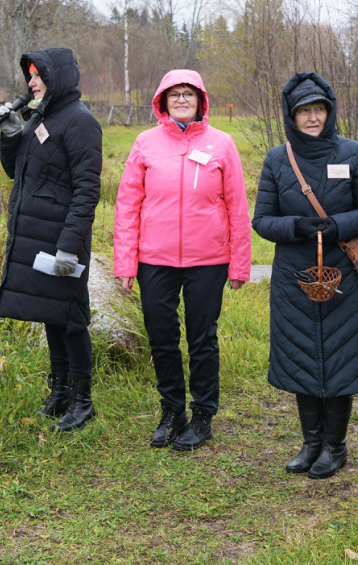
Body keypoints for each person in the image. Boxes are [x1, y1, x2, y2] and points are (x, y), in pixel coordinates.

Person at [252, 72, 358, 479]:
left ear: (329, 112)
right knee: (301, 357)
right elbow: (262, 220)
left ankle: (335, 446)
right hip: (295, 277)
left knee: (342, 356)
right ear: (291, 116)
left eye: (319, 109)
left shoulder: (352, 153)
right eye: (304, 111)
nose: (312, 118)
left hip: (344, 274)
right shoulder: (278, 159)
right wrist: (296, 226)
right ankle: (311, 444)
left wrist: (338, 225)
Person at [114, 69, 251, 452]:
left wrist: (239, 263)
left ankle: (202, 415)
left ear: (201, 100)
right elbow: (127, 206)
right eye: (174, 93)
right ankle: (172, 411)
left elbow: (238, 206)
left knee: (202, 338)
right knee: (161, 337)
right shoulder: (145, 143)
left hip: (208, 260)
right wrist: (125, 262)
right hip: (154, 259)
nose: (181, 99)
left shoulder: (222, 144)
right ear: (162, 100)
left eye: (188, 93)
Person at [0, 47, 103, 433]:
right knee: (50, 314)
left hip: (63, 239)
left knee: (71, 318)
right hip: (37, 235)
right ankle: (60, 393)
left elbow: (87, 192)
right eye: (30, 76)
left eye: (38, 75)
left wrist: (69, 245)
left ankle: (83, 401)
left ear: (58, 77)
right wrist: (10, 134)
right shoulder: (41, 115)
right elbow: (16, 172)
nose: (32, 82)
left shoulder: (81, 122)